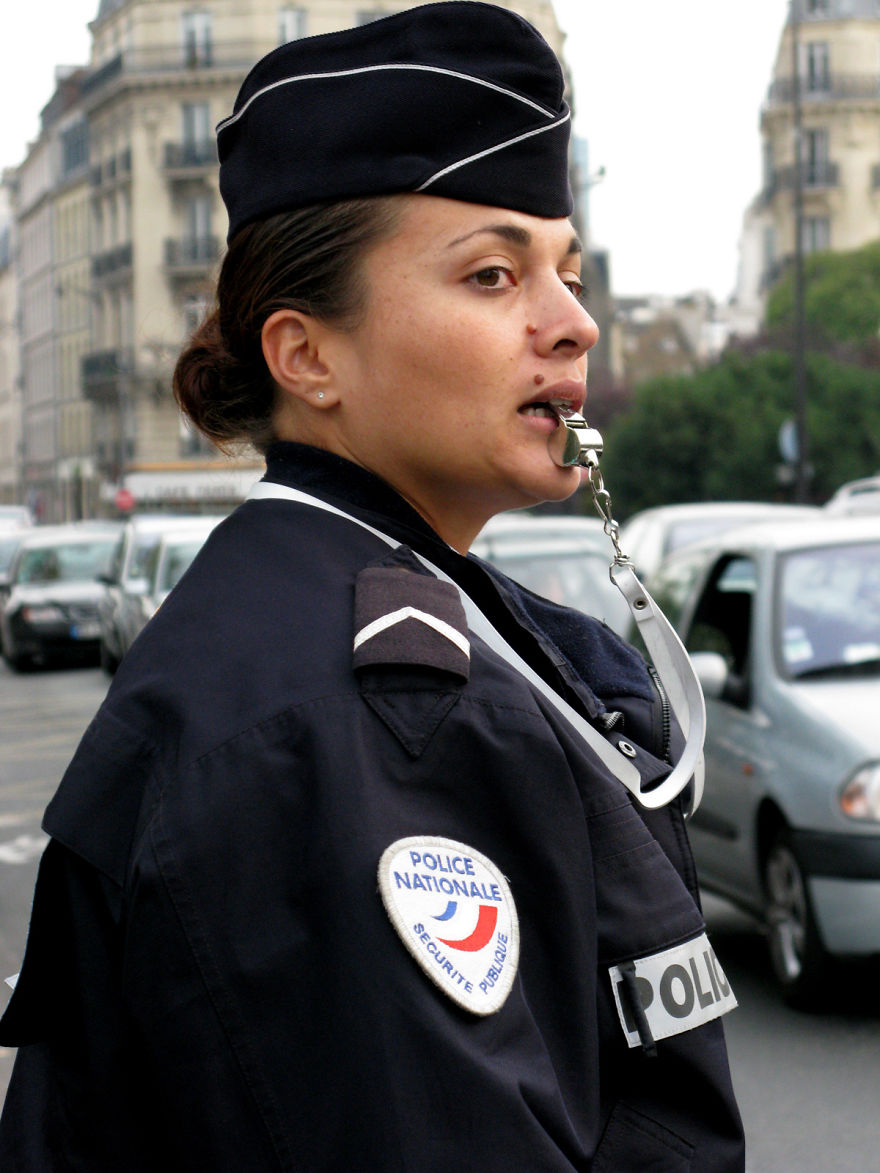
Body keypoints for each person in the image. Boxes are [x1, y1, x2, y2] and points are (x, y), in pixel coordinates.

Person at [0, 4, 745, 1168]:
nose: (575, 323)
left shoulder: (368, 622)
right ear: (307, 356)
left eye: (567, 270)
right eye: (494, 274)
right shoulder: (356, 723)